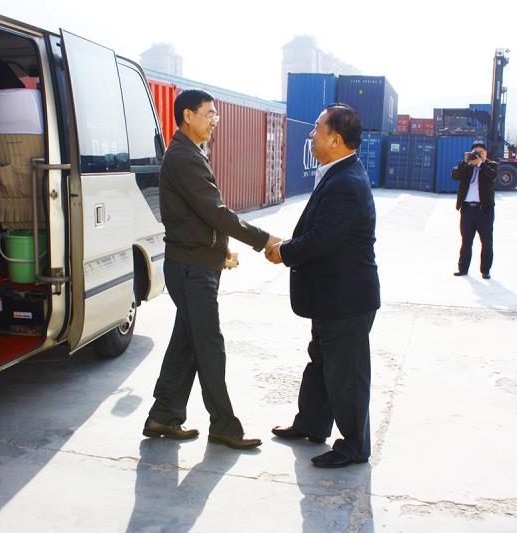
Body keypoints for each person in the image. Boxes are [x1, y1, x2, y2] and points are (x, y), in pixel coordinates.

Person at [144, 89, 279, 450]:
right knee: (209, 346)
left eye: (216, 114)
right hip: (191, 269)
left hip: (194, 262)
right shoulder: (184, 157)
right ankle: (224, 426)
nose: (214, 120)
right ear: (187, 115)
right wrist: (264, 239)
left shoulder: (190, 152)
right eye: (209, 113)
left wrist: (219, 248)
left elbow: (199, 216)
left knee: (187, 343)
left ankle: (163, 415)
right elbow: (215, 212)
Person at [265, 103, 380, 468]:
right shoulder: (339, 173)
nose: (311, 134)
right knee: (322, 363)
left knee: (347, 375)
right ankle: (312, 424)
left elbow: (323, 240)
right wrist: (289, 245)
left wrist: (284, 252)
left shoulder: (346, 182)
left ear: (335, 138)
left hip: (347, 299)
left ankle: (354, 446)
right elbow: (322, 231)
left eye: (317, 128)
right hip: (332, 296)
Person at [451, 141, 498, 279]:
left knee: (487, 242)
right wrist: (464, 163)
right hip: (467, 210)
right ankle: (463, 268)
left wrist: (480, 164)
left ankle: (485, 270)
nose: (477, 155)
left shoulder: (491, 165)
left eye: (480, 152)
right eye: (475, 152)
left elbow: (493, 176)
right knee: (466, 241)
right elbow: (454, 176)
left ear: (485, 153)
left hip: (485, 210)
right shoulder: (467, 165)